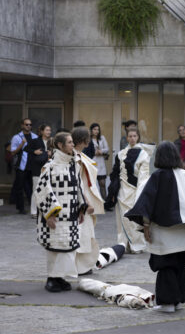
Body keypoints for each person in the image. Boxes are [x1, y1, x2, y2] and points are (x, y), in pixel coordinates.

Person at [125, 141, 185, 313]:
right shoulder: (184, 175)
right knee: (179, 264)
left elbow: (146, 204)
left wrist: (145, 226)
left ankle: (167, 303)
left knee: (165, 264)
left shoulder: (157, 176)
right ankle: (178, 301)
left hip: (163, 230)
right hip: (183, 229)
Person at [33, 132, 88, 292]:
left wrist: (81, 209)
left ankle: (61, 277)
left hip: (70, 215)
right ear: (60, 145)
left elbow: (79, 187)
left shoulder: (74, 165)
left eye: (72, 142)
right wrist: (49, 214)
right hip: (55, 218)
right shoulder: (50, 166)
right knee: (54, 248)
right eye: (70, 142)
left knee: (68, 249)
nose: (73, 144)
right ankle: (52, 278)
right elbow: (41, 190)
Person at [106, 128, 150, 253]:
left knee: (134, 219)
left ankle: (137, 245)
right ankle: (124, 244)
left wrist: (141, 193)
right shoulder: (121, 154)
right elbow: (115, 173)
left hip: (135, 191)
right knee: (123, 219)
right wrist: (113, 191)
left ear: (138, 137)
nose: (132, 138)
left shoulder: (143, 154)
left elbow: (144, 176)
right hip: (121, 192)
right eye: (130, 136)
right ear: (127, 138)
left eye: (134, 136)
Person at [72, 127, 105, 275]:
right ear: (86, 141)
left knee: (85, 233)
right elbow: (77, 183)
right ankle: (79, 267)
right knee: (82, 234)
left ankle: (82, 266)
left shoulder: (79, 156)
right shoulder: (75, 158)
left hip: (82, 200)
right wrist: (85, 203)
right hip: (81, 202)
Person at [10, 118, 38, 214]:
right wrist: (21, 144)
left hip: (32, 166)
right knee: (19, 188)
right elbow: (13, 152)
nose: (28, 126)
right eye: (26, 124)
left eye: (30, 124)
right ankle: (21, 208)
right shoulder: (17, 137)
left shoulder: (35, 137)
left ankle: (33, 208)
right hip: (21, 166)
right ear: (22, 125)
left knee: (32, 188)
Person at [27, 124, 52, 218]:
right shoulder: (35, 141)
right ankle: (34, 211)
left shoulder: (51, 141)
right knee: (36, 190)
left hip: (49, 168)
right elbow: (26, 149)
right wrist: (34, 152)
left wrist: (51, 153)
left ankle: (46, 210)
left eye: (49, 130)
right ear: (41, 131)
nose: (48, 132)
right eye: (46, 130)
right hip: (37, 168)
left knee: (48, 190)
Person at [90, 123, 110, 200]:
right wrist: (94, 152)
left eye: (98, 129)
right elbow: (86, 150)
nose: (96, 131)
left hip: (101, 163)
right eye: (94, 129)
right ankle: (94, 203)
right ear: (91, 130)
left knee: (102, 183)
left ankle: (105, 202)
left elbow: (107, 148)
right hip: (93, 162)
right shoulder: (89, 139)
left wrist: (101, 151)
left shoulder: (102, 138)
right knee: (92, 184)